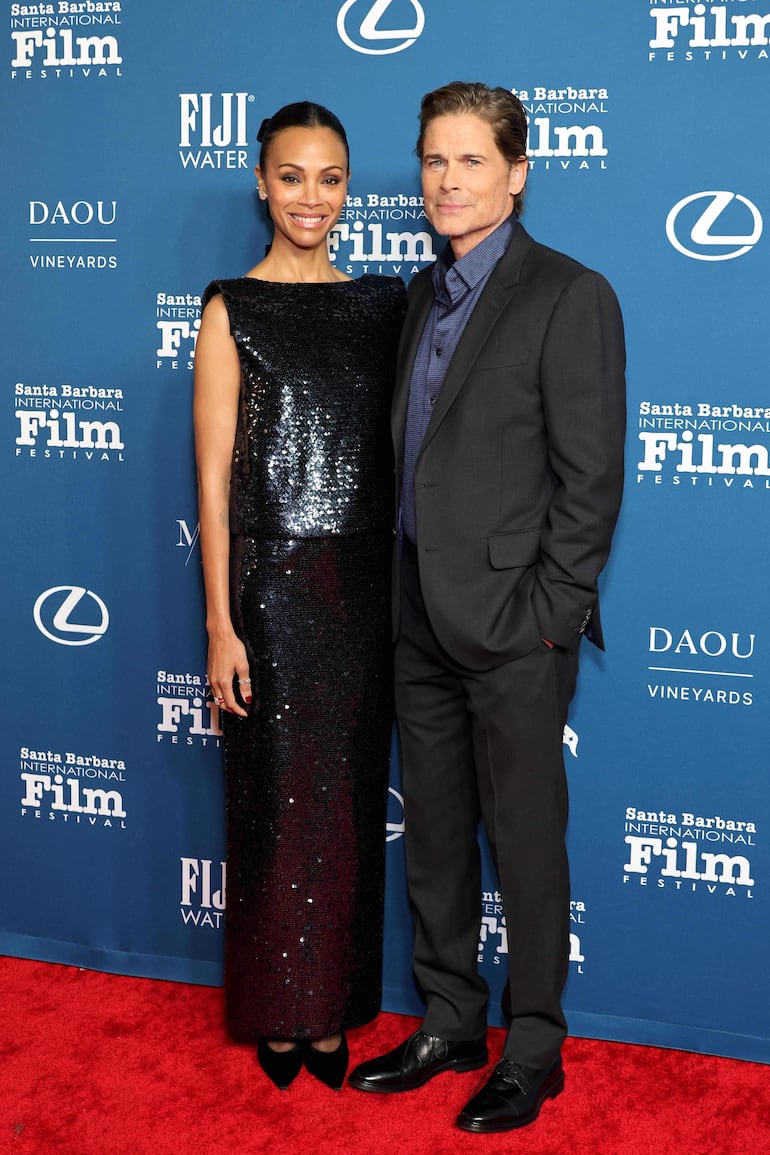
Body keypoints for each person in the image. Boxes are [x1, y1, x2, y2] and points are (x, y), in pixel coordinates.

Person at [349, 82, 626, 1132]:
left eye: (469, 161)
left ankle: (535, 1047)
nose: (445, 181)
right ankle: (450, 1020)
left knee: (523, 841)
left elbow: (589, 479)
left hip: (513, 626)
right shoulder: (421, 294)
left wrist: (546, 616)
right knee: (431, 836)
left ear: (516, 172)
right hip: (415, 612)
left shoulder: (568, 292)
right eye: (432, 160)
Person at [193, 101, 406, 1092]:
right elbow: (212, 477)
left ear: (347, 189)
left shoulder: (383, 305)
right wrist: (219, 625)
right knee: (277, 808)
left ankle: (332, 1013)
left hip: (363, 592)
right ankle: (280, 1015)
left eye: (328, 178)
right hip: (271, 589)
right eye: (291, 176)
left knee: (348, 810)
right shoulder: (230, 306)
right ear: (260, 182)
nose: (309, 197)